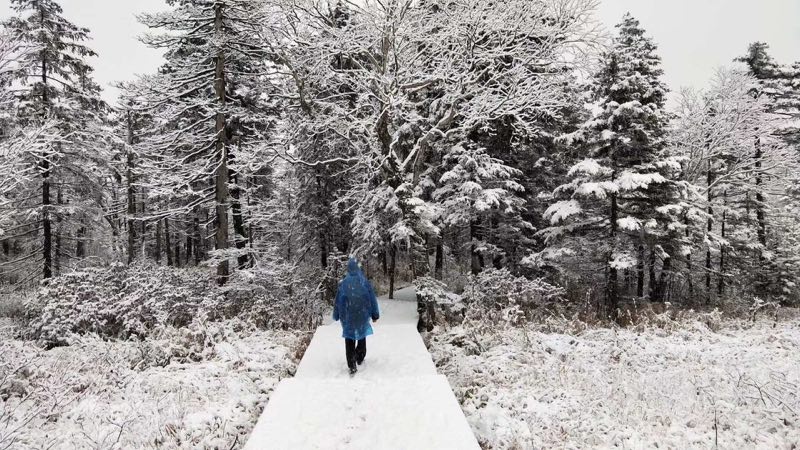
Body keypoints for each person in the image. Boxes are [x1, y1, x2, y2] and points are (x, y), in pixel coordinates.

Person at [333, 257, 380, 375]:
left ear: (348, 269)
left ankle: (351, 364)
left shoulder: (343, 284)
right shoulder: (364, 282)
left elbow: (338, 301)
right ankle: (360, 356)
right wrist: (375, 314)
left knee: (349, 338)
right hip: (362, 315)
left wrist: (336, 315)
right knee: (361, 335)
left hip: (348, 316)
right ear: (358, 268)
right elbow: (372, 299)